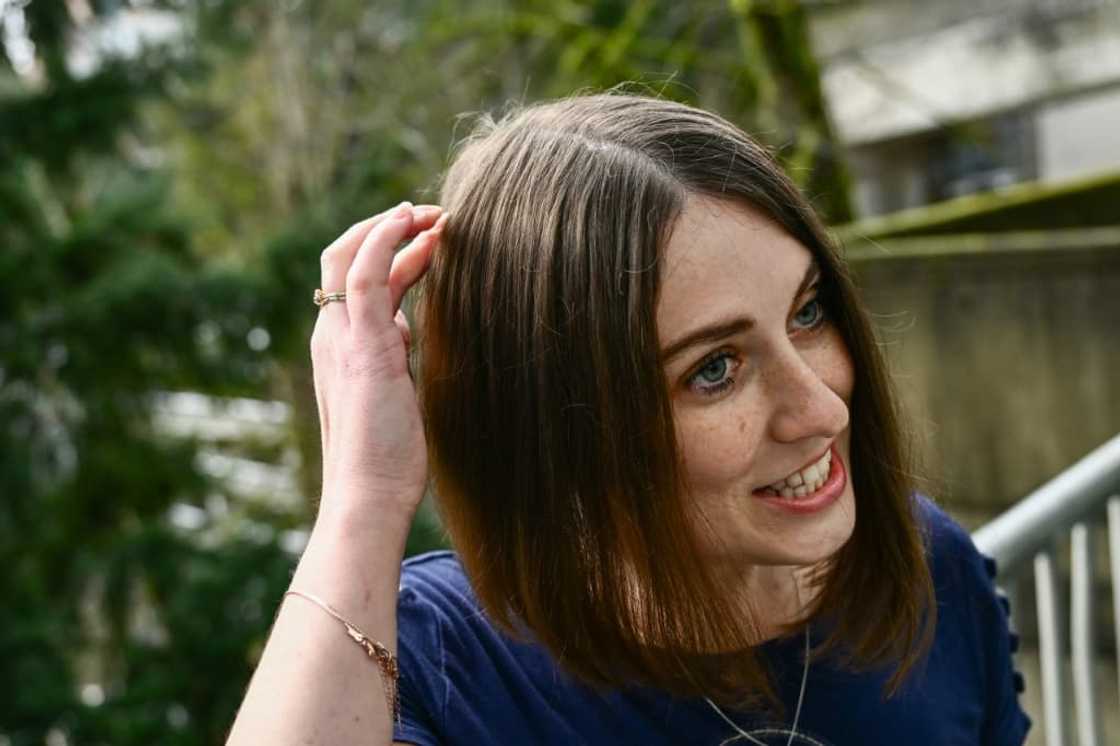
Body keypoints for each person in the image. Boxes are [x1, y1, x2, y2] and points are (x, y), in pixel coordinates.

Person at [226, 93, 1030, 745]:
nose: (820, 407)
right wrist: (362, 498)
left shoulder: (929, 567)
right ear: (567, 428)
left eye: (809, 312)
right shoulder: (438, 661)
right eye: (714, 369)